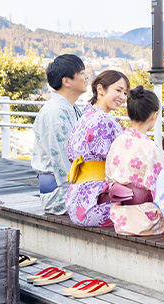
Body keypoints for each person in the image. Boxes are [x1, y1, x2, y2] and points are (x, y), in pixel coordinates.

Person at [65, 70, 129, 226]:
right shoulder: (103, 119)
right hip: (96, 201)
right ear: (100, 89)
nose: (122, 97)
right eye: (118, 90)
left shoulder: (85, 116)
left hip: (77, 200)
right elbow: (119, 160)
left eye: (126, 93)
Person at [103, 85, 164, 235]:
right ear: (154, 116)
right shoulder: (151, 148)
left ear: (127, 113)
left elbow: (109, 177)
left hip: (120, 214)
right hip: (145, 217)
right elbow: (160, 188)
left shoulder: (118, 142)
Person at [32, 54, 88, 215]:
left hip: (71, 187)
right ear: (67, 81)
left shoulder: (71, 107)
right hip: (59, 194)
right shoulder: (55, 112)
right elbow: (63, 162)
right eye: (82, 72)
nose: (86, 76)